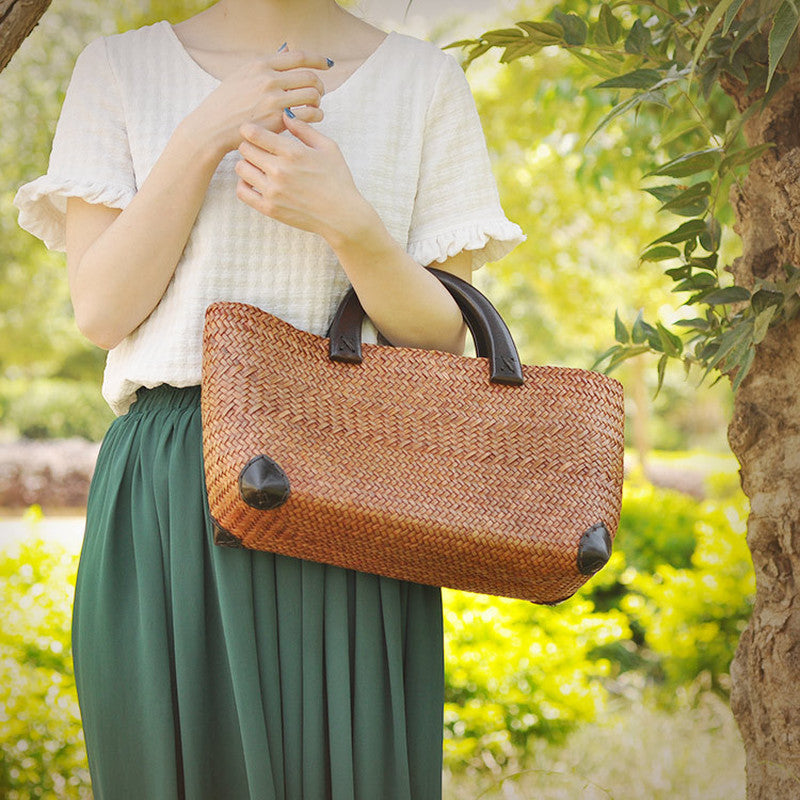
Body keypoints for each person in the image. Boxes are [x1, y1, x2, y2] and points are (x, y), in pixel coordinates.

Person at [14, 0, 525, 797]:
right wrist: (203, 133)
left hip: (355, 481)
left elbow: (438, 340)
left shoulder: (425, 82)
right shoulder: (118, 69)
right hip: (174, 486)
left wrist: (347, 219)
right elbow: (102, 311)